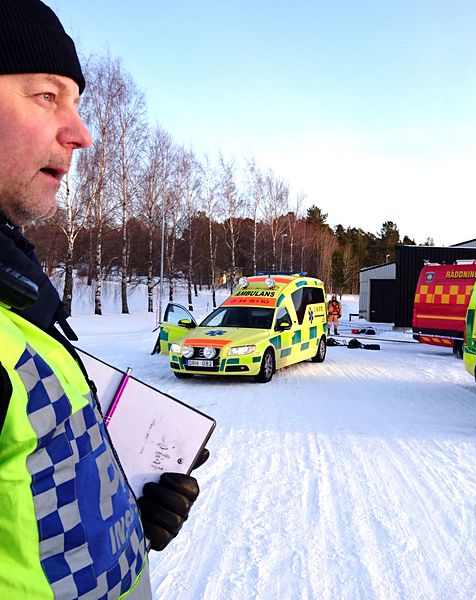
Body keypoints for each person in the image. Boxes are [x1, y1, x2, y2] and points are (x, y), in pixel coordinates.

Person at [0, 2, 206, 598]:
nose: (81, 134)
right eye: (46, 96)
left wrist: (120, 522)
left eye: (77, 104)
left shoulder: (18, 297)